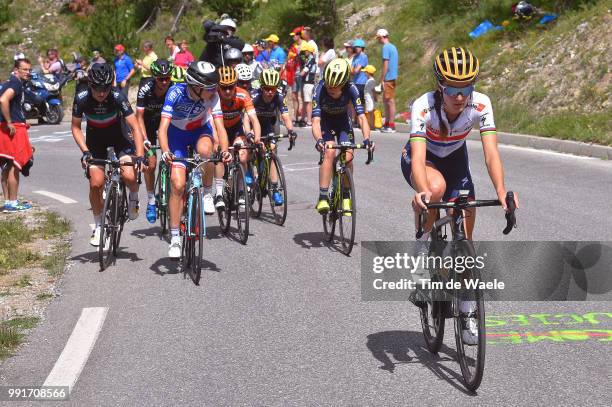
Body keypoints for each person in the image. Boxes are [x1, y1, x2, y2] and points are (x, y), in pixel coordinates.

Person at [403, 48, 519, 344]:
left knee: (465, 241)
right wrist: (422, 191)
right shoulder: (423, 106)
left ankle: (467, 311)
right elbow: (417, 159)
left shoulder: (480, 104)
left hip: (455, 161)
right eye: (453, 89)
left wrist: (501, 193)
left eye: (465, 88)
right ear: (441, 86)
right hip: (423, 160)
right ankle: (422, 249)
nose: (459, 96)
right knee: (436, 188)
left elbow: (491, 153)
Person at [158, 61, 230, 258]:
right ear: (196, 87)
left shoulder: (213, 96)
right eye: (210, 87)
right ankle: (174, 239)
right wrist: (165, 151)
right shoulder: (175, 92)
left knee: (207, 150)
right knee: (178, 184)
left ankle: (207, 193)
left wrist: (225, 150)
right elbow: (162, 128)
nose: (215, 90)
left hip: (200, 131)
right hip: (177, 136)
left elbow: (220, 127)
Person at [71, 63, 145, 246]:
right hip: (96, 140)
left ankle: (133, 195)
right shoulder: (81, 98)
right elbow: (75, 127)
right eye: (97, 89)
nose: (102, 93)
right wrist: (85, 152)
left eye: (105, 88)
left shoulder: (118, 96)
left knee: (128, 175)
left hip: (119, 137)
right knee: (96, 183)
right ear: (90, 85)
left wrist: (140, 155)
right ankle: (98, 226)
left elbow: (135, 126)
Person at [312, 58, 372, 214]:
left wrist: (367, 140)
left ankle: (346, 195)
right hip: (325, 123)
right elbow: (316, 121)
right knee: (330, 152)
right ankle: (323, 197)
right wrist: (319, 140)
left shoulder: (352, 89)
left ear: (344, 84)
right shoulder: (320, 89)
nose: (331, 89)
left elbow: (362, 117)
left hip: (342, 122)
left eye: (335, 87)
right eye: (329, 85)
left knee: (349, 156)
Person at [251, 69, 297, 206]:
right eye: (267, 89)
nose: (270, 92)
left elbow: (285, 116)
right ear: (261, 88)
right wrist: (251, 134)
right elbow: (247, 118)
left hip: (268, 124)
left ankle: (275, 189)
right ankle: (251, 171)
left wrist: (290, 130)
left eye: (273, 89)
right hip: (254, 123)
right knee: (254, 149)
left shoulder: (279, 97)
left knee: (271, 150)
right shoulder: (255, 97)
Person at [135, 59, 174, 223]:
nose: (164, 82)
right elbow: (139, 117)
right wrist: (144, 139)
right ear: (154, 77)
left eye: (167, 78)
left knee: (174, 157)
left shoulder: (173, 88)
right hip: (148, 125)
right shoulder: (145, 88)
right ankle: (151, 201)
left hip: (168, 124)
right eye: (160, 78)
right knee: (150, 164)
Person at [217, 66, 260, 188]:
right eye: (224, 87)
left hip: (236, 129)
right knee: (220, 158)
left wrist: (257, 138)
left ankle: (241, 189)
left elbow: (254, 119)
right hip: (219, 129)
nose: (227, 91)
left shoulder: (243, 94)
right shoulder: (214, 96)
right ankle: (220, 192)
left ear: (236, 84)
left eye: (231, 87)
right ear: (218, 86)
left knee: (242, 156)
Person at [0, 58, 34, 212]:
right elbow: (3, 100)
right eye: (24, 69)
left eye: (29, 70)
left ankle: (8, 202)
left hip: (7, 127)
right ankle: (13, 203)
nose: (27, 73)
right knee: (16, 165)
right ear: (16, 70)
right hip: (14, 129)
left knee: (7, 166)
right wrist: (9, 121)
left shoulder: (7, 82)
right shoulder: (16, 83)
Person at [376, 28, 399, 133]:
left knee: (389, 101)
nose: (378, 40)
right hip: (393, 76)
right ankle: (387, 123)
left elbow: (386, 64)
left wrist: (382, 78)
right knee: (387, 100)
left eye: (378, 38)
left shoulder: (386, 47)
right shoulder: (393, 47)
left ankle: (391, 125)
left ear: (381, 37)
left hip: (388, 77)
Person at [299, 42, 317, 127]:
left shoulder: (311, 60)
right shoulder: (309, 59)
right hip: (307, 83)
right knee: (306, 101)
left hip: (308, 83)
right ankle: (304, 119)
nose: (303, 53)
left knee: (308, 102)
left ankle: (309, 121)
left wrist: (299, 74)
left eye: (304, 51)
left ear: (308, 51)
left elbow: (304, 72)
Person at [350, 39, 368, 104]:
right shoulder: (355, 57)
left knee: (360, 102)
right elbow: (351, 70)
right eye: (355, 47)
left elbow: (356, 71)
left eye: (357, 47)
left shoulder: (363, 57)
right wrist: (353, 71)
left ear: (362, 47)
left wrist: (353, 71)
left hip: (362, 83)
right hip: (355, 82)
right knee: (355, 102)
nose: (356, 48)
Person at [363, 65, 377, 130]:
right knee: (369, 112)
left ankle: (371, 125)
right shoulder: (369, 80)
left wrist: (375, 97)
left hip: (370, 99)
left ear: (368, 73)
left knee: (370, 112)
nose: (364, 73)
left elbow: (373, 90)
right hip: (368, 98)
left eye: (365, 72)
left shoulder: (371, 81)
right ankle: (371, 124)